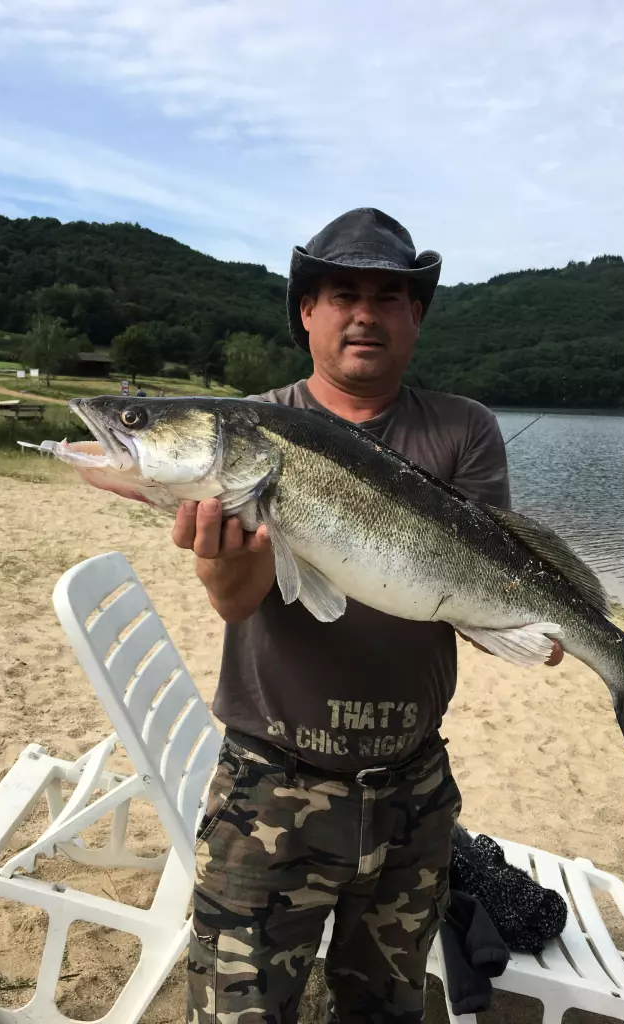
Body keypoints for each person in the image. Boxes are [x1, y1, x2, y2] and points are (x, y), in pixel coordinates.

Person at [173, 208, 563, 1023]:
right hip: (270, 785)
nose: (364, 314)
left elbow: (478, 590)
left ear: (415, 316)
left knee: (385, 1010)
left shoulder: (463, 428)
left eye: (389, 297)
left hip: (413, 788)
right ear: (306, 311)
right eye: (342, 294)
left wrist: (531, 627)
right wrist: (224, 551)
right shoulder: (250, 429)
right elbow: (235, 601)